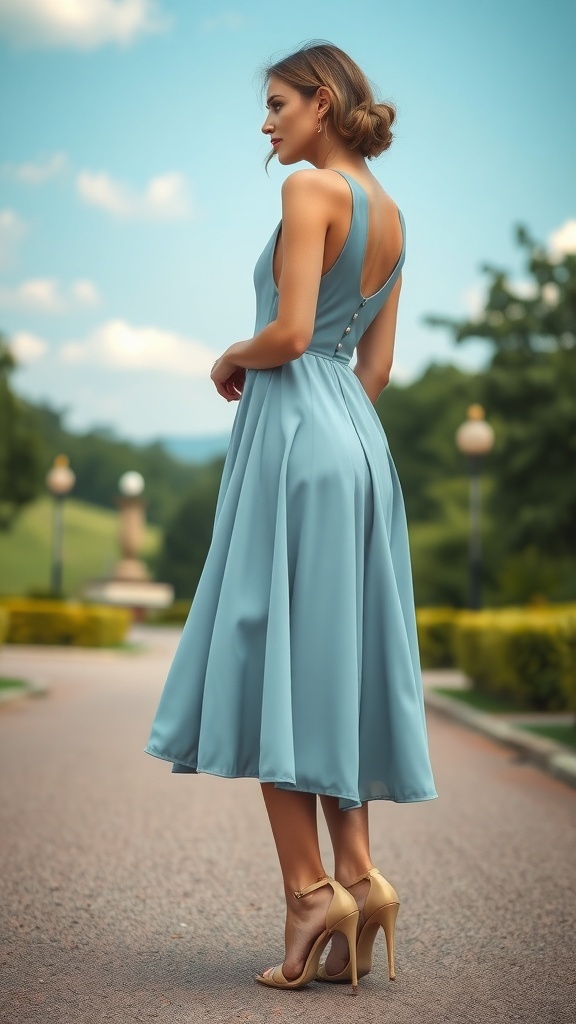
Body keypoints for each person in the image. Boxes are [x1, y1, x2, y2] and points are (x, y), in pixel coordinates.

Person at [145, 40, 437, 994]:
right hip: (357, 442)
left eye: (276, 104)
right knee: (331, 668)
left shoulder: (311, 194)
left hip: (294, 436)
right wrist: (337, 428)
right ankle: (361, 876)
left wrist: (231, 353)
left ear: (321, 103)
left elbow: (294, 333)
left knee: (269, 653)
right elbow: (376, 370)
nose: (266, 124)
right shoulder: (394, 216)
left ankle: (310, 890)